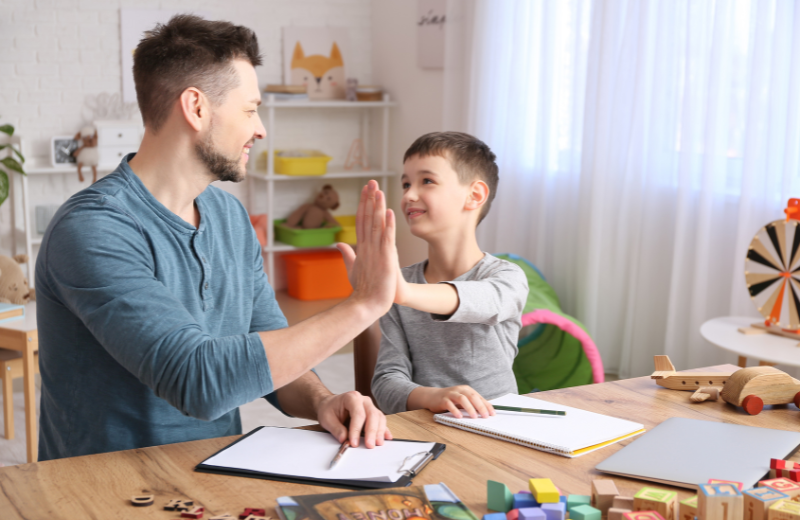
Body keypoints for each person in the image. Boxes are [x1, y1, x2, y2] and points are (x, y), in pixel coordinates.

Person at [35, 15, 398, 461]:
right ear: (196, 108)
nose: (260, 128)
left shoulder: (228, 216)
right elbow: (198, 381)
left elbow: (270, 353)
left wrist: (322, 401)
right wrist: (364, 303)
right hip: (104, 492)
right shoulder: (93, 228)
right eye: (250, 110)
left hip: (210, 476)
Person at [368, 132, 529, 418]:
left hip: (499, 429)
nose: (408, 195)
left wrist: (402, 292)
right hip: (424, 426)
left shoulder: (507, 277)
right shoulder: (400, 287)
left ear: (474, 195)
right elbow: (386, 384)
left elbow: (485, 303)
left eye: (426, 181)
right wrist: (434, 397)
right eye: (406, 184)